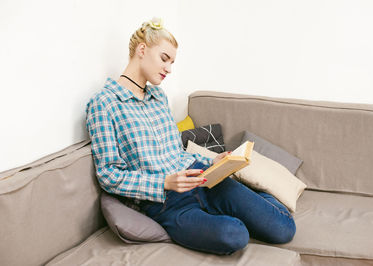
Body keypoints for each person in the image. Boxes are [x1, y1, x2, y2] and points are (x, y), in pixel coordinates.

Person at [86, 17, 296, 255]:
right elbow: (108, 175)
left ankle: (254, 197)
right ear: (142, 50)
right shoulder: (103, 104)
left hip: (202, 178)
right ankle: (237, 206)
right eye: (164, 59)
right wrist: (164, 183)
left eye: (172, 62)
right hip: (165, 203)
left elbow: (176, 153)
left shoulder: (159, 97)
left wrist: (212, 163)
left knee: (283, 229)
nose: (169, 69)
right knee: (235, 235)